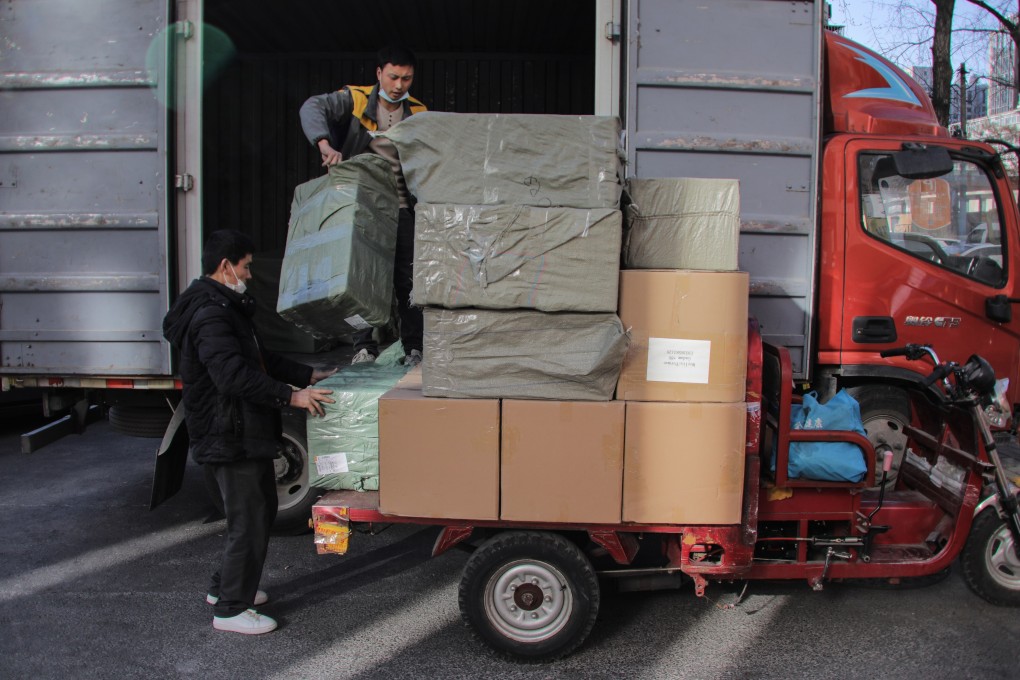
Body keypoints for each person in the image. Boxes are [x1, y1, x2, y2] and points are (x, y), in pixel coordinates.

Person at [162, 229, 337, 635]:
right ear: (226, 266)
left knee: (254, 513)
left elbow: (260, 359)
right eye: (246, 267)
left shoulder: (225, 307)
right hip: (230, 433)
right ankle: (230, 609)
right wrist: (290, 396)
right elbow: (232, 375)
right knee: (251, 517)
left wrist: (307, 374)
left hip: (236, 429)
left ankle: (225, 587)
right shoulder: (211, 315)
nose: (250, 275)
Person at [299, 45, 426, 367]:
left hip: (400, 207)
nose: (399, 85)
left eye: (407, 79)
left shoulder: (419, 112)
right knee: (360, 275)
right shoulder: (354, 99)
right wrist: (324, 143)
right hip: (361, 206)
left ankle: (414, 347)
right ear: (379, 73)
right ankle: (364, 346)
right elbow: (312, 107)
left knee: (408, 280)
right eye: (393, 77)